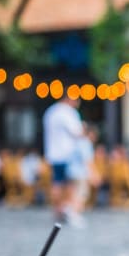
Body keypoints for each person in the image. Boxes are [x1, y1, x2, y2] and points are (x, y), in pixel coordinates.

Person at [42, 96, 83, 224]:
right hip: (68, 154)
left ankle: (58, 211)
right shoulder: (68, 112)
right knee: (71, 184)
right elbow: (77, 132)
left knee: (57, 183)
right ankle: (70, 211)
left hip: (53, 154)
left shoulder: (50, 111)